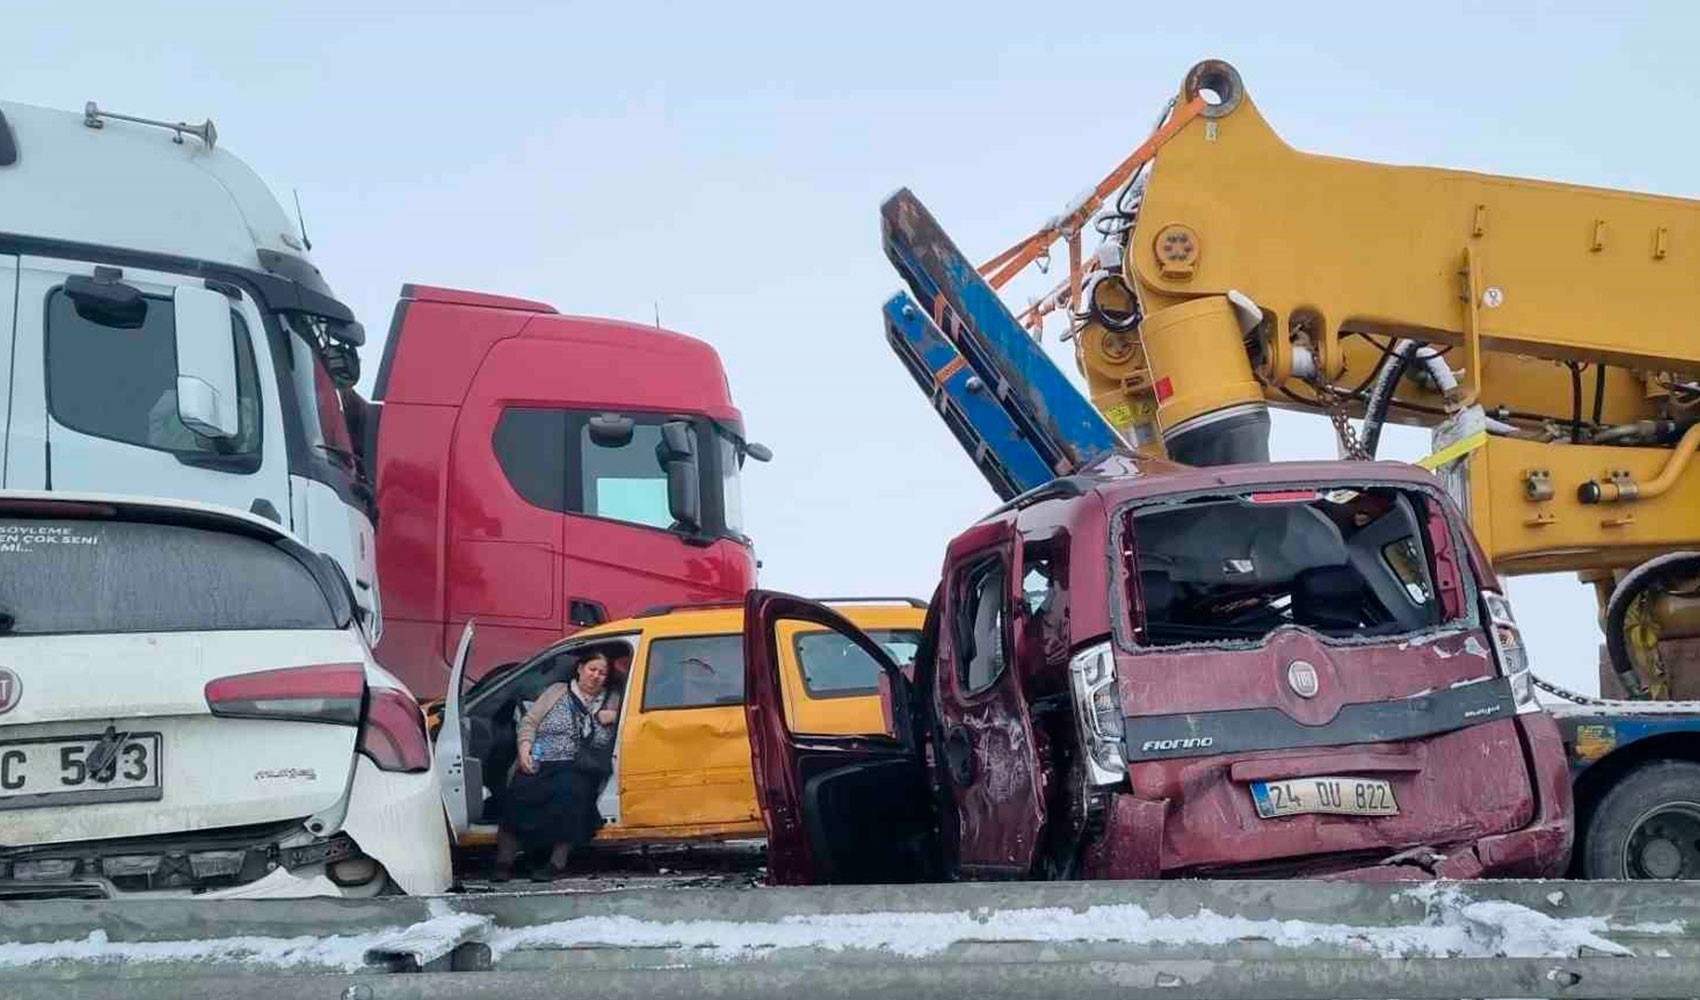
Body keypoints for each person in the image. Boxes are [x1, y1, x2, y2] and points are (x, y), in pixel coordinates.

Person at [492, 652, 621, 881]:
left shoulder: (611, 698)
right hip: (543, 760)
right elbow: (529, 723)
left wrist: (615, 715)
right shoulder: (557, 692)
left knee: (571, 796)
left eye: (602, 673)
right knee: (518, 796)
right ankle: (504, 862)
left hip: (580, 766)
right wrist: (524, 750)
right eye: (592, 669)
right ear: (580, 668)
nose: (596, 676)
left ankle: (556, 864)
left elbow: (632, 719)